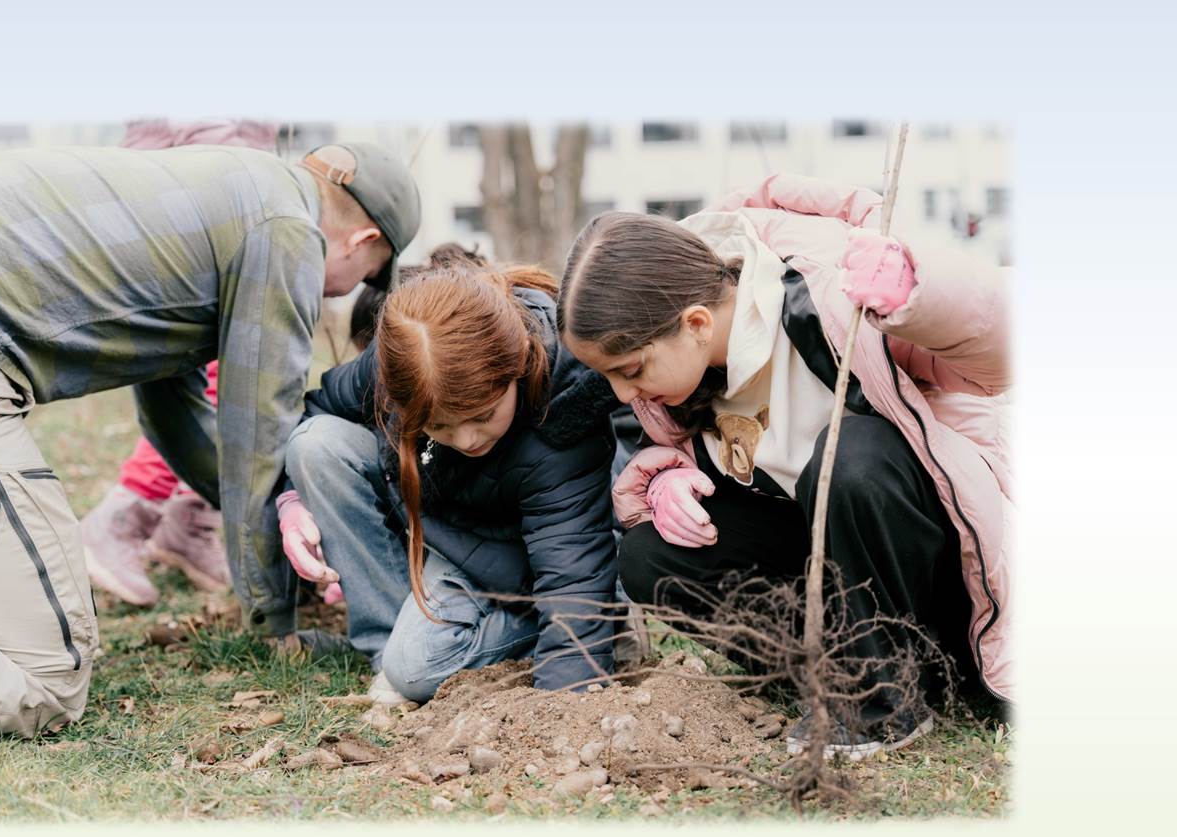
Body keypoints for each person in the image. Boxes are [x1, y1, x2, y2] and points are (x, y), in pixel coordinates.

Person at [0, 139, 420, 736]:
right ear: (362, 241)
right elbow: (259, 435)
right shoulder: (288, 231)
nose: (338, 294)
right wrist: (274, 620)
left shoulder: (232, 189)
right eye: (362, 280)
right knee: (44, 684)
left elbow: (178, 415)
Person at [558, 173, 1013, 760]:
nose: (624, 395)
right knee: (652, 557)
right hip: (837, 579)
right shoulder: (679, 384)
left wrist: (919, 299)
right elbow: (744, 470)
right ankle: (836, 672)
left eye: (631, 370)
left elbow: (1001, 357)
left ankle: (880, 700)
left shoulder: (828, 294)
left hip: (937, 572)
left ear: (696, 324)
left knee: (847, 457)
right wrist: (673, 474)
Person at [280, 254, 623, 703]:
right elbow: (319, 409)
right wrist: (290, 503)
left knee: (419, 667)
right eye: (439, 426)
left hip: (526, 565)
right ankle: (387, 653)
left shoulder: (560, 418)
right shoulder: (400, 362)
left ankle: (442, 652)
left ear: (517, 364)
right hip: (446, 530)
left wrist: (570, 689)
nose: (466, 438)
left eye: (483, 415)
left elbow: (571, 571)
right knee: (315, 445)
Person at [78, 119, 278, 608]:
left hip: (218, 160)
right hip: (199, 170)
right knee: (209, 368)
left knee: (223, 364)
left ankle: (189, 520)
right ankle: (126, 516)